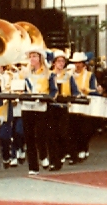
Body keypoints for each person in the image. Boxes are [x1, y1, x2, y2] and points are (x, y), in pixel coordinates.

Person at [22, 46, 51, 175]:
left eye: (35, 56)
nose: (32, 59)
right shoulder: (24, 73)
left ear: (40, 58)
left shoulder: (48, 73)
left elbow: (53, 90)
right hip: (27, 107)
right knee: (28, 137)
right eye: (30, 56)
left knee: (40, 135)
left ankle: (43, 155)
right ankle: (33, 167)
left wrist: (46, 97)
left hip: (40, 108)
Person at [47, 51, 78, 169]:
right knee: (52, 135)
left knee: (63, 133)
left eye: (63, 61)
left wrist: (73, 97)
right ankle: (55, 161)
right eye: (59, 61)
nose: (61, 63)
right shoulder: (49, 75)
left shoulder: (68, 76)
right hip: (51, 108)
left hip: (63, 108)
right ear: (54, 63)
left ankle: (70, 153)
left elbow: (75, 91)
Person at [70, 52, 100, 160]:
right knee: (73, 128)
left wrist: (87, 91)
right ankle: (77, 149)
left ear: (84, 64)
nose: (77, 65)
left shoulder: (90, 75)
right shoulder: (69, 74)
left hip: (86, 104)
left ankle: (83, 148)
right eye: (75, 62)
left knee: (85, 129)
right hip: (73, 104)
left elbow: (95, 90)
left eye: (79, 63)